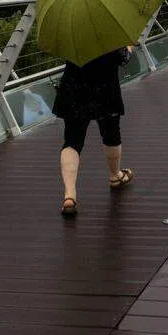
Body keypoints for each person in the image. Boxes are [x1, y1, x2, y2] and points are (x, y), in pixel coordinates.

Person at [52, 44, 134, 217]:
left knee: (72, 140)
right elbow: (122, 58)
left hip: (73, 87)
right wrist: (129, 47)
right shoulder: (109, 29)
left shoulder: (70, 28)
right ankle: (115, 175)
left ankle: (69, 195)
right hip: (105, 88)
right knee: (111, 133)